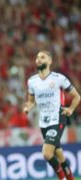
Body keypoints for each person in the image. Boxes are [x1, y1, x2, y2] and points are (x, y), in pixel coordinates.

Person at [23, 50, 80, 180]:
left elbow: (77, 97)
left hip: (57, 119)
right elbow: (31, 101)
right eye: (37, 57)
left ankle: (62, 178)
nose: (38, 59)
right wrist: (28, 107)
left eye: (42, 57)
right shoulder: (32, 81)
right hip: (43, 122)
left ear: (50, 61)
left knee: (47, 153)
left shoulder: (59, 78)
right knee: (60, 156)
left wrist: (71, 109)